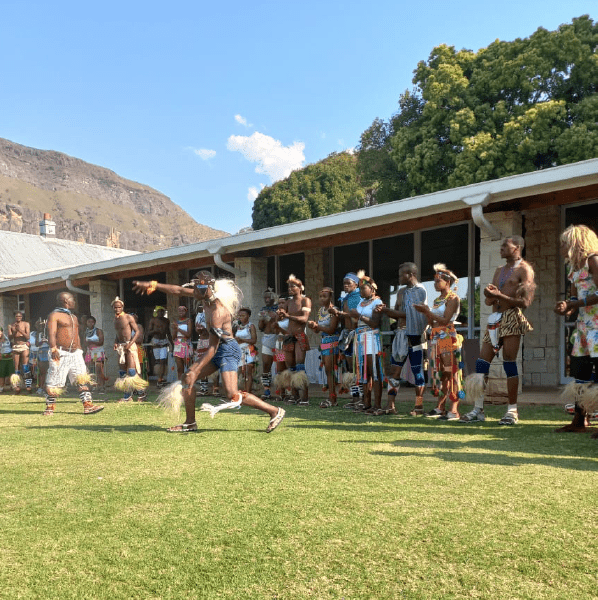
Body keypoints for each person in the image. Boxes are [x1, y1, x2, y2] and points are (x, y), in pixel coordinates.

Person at [132, 271, 285, 433]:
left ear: (207, 288)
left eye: (197, 287)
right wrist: (153, 285)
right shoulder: (204, 296)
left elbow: (212, 347)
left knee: (232, 394)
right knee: (187, 380)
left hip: (227, 350)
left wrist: (195, 369)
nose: (193, 292)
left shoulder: (218, 312)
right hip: (218, 349)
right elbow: (177, 290)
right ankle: (190, 422)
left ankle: (274, 411)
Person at [460, 236, 536, 425]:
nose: (501, 248)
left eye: (505, 245)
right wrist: (490, 297)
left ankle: (512, 411)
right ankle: (478, 409)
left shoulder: (525, 270)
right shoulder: (499, 271)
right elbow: (490, 300)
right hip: (495, 319)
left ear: (517, 247)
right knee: (481, 364)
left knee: (509, 363)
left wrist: (498, 295)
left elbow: (525, 302)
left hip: (512, 317)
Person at [554, 225, 598, 433]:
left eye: (564, 243)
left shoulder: (594, 261)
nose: (561, 247)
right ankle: (580, 420)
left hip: (597, 327)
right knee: (580, 373)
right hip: (583, 327)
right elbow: (574, 297)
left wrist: (575, 304)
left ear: (577, 243)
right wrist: (566, 307)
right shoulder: (572, 268)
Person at [376, 262, 428, 416]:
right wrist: (385, 311)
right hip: (400, 335)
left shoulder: (420, 291)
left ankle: (418, 407)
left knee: (417, 372)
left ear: (410, 275)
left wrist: (387, 310)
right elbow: (398, 314)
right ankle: (390, 406)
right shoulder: (401, 292)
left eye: (401, 275)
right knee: (394, 372)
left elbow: (412, 315)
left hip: (415, 336)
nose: (399, 278)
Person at [414, 264, 464, 420]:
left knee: (452, 372)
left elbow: (446, 320)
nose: (435, 284)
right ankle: (440, 407)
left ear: (447, 282)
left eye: (438, 281)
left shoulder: (453, 298)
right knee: (442, 374)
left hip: (448, 337)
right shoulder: (437, 300)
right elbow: (432, 321)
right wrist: (425, 312)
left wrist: (427, 311)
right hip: (436, 338)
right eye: (434, 281)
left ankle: (454, 409)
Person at [42, 292, 104, 416]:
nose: (74, 302)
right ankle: (50, 407)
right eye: (72, 299)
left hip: (75, 353)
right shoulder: (54, 315)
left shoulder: (74, 317)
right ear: (65, 301)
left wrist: (80, 349)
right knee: (54, 380)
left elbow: (76, 335)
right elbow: (51, 333)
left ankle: (88, 405)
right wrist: (53, 348)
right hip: (60, 352)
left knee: (82, 378)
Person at [347, 272, 384, 414]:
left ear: (372, 289)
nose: (361, 290)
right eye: (360, 288)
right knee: (363, 372)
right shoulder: (361, 303)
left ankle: (378, 405)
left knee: (374, 371)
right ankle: (366, 403)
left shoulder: (377, 302)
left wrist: (359, 316)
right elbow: (355, 317)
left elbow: (375, 323)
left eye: (364, 288)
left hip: (371, 337)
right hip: (360, 338)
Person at [278, 275, 312, 405]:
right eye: (289, 287)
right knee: (290, 366)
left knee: (299, 365)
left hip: (299, 336)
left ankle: (305, 396)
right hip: (288, 337)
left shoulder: (305, 300)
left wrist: (287, 315)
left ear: (300, 287)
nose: (290, 289)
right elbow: (281, 318)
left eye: (293, 286)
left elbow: (304, 319)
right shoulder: (288, 302)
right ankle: (294, 395)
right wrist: (280, 314)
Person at [308, 287, 340, 408]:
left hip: (332, 341)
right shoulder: (321, 310)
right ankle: (331, 397)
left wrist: (318, 327)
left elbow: (332, 329)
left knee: (330, 370)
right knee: (328, 371)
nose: (322, 299)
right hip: (324, 342)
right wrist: (313, 327)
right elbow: (318, 330)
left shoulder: (334, 310)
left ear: (330, 297)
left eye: (325, 296)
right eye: (321, 296)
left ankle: (333, 398)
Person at [112, 297, 148, 402]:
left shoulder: (128, 317)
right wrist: (115, 342)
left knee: (132, 371)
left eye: (119, 307)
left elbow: (137, 332)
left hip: (130, 346)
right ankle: (127, 396)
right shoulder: (115, 319)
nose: (117, 309)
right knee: (122, 372)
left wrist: (130, 343)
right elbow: (118, 334)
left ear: (122, 307)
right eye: (115, 307)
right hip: (121, 347)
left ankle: (142, 394)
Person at [334, 273, 363, 403]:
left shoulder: (358, 297)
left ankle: (361, 399)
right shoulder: (345, 298)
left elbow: (355, 316)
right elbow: (345, 317)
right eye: (344, 284)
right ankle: (354, 398)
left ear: (356, 284)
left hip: (356, 335)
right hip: (347, 334)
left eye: (348, 283)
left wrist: (341, 313)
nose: (345, 286)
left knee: (356, 366)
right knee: (349, 368)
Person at [258, 288, 279, 400]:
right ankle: (266, 390)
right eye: (265, 298)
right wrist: (262, 318)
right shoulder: (263, 310)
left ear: (273, 298)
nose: (266, 299)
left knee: (281, 363)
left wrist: (274, 316)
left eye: (268, 297)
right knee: (266, 364)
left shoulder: (279, 308)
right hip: (267, 339)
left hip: (278, 339)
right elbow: (260, 328)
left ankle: (282, 391)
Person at [147, 306, 172, 387]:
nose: (161, 313)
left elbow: (168, 332)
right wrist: (155, 331)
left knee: (163, 360)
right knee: (157, 361)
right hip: (156, 342)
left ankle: (160, 378)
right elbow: (149, 332)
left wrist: (172, 343)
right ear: (156, 312)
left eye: (162, 312)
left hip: (164, 341)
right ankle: (159, 377)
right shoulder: (153, 320)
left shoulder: (166, 320)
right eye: (159, 312)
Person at [235, 307, 258, 393]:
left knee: (248, 371)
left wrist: (242, 340)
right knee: (240, 371)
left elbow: (254, 340)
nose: (240, 317)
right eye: (239, 315)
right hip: (239, 350)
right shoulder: (237, 326)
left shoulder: (251, 326)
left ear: (248, 316)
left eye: (243, 315)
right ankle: (240, 391)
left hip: (249, 350)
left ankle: (248, 392)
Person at [8, 311, 32, 392]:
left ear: (22, 317)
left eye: (20, 316)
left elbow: (28, 337)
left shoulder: (26, 324)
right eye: (17, 316)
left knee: (25, 367)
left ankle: (28, 385)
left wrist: (20, 330)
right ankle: (17, 386)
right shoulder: (10, 325)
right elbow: (10, 338)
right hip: (15, 347)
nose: (18, 318)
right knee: (16, 367)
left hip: (24, 346)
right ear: (15, 317)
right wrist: (15, 331)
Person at [84, 316, 108, 393]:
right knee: (90, 370)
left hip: (97, 351)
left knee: (99, 370)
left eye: (92, 322)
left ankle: (101, 386)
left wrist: (91, 342)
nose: (90, 323)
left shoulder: (98, 331)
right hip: (89, 352)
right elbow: (84, 342)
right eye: (89, 322)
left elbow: (101, 342)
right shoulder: (86, 332)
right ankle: (94, 386)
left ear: (94, 323)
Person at [171, 305, 192, 380]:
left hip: (186, 344)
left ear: (186, 311)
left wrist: (178, 329)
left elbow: (188, 334)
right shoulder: (175, 321)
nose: (181, 312)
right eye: (179, 310)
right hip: (177, 344)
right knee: (179, 368)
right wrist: (174, 330)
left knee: (188, 367)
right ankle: (179, 385)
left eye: (183, 310)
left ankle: (189, 383)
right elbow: (173, 337)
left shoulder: (188, 321)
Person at [34, 318, 50, 394]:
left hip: (49, 352)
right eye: (41, 326)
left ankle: (48, 387)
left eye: (44, 326)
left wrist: (48, 341)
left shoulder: (50, 333)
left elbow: (53, 343)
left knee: (49, 371)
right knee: (42, 371)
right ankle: (41, 387)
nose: (43, 327)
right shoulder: (38, 334)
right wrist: (42, 342)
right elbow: (37, 344)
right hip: (41, 352)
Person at [0, 327, 14, 392]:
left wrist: (13, 352)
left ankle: (13, 386)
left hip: (10, 357)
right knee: (1, 374)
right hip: (2, 358)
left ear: (2, 332)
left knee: (11, 373)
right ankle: (1, 388)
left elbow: (12, 345)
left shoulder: (7, 338)